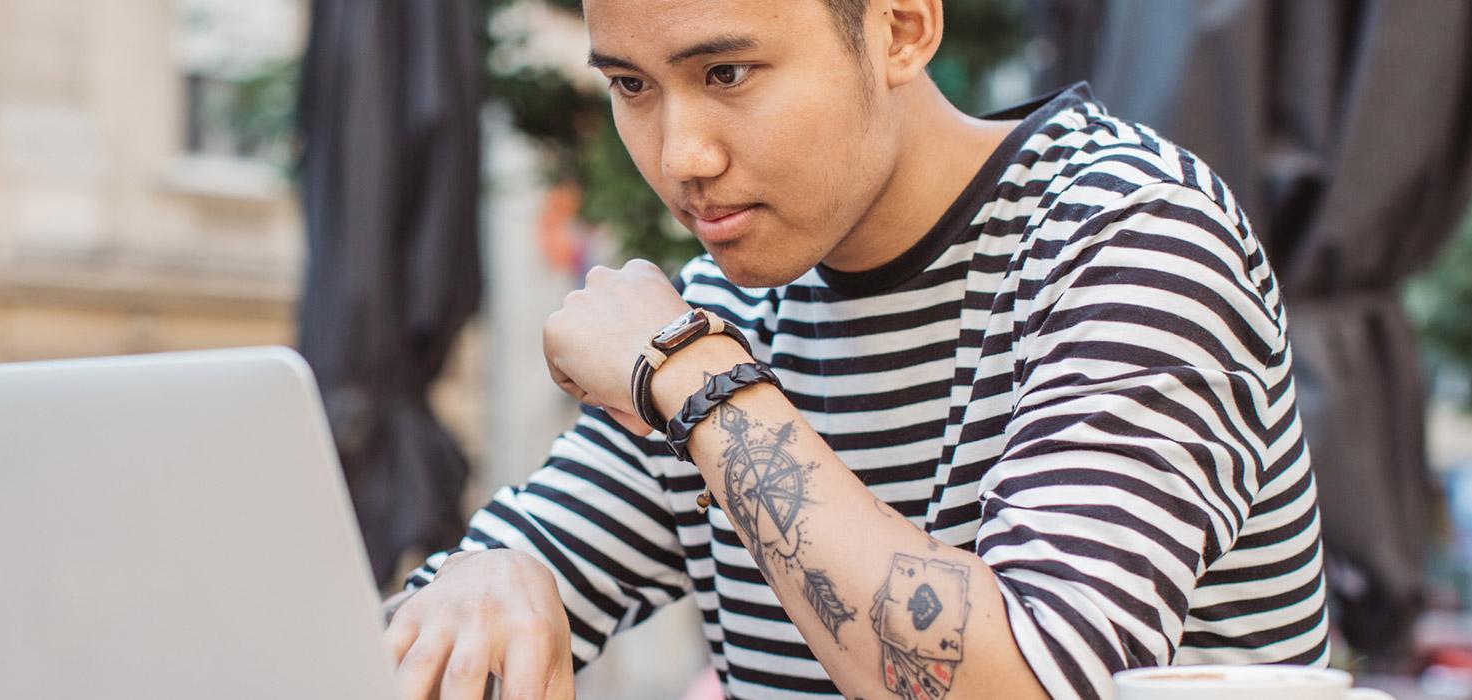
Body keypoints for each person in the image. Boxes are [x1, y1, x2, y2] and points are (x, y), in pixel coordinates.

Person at [383, 1, 1329, 698]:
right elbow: (429, 636)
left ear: (903, 28)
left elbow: (1039, 681)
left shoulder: (1130, 234)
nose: (680, 157)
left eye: (728, 74)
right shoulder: (716, 314)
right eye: (632, 85)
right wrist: (486, 577)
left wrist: (698, 380)